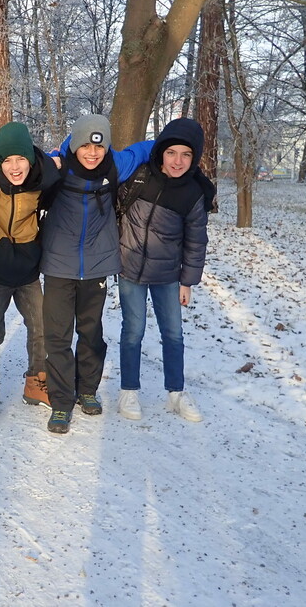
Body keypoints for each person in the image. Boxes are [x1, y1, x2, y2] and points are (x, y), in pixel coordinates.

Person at [40, 115, 152, 435]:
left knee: (90, 332)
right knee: (58, 336)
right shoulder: (57, 165)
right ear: (75, 144)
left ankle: (87, 389)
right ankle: (61, 401)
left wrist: (180, 145)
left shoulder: (116, 164)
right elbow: (22, 166)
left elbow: (146, 149)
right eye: (86, 145)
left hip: (98, 263)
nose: (92, 153)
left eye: (99, 146)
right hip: (59, 264)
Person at [116, 117, 209, 423]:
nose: (177, 161)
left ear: (194, 158)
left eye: (186, 154)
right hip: (130, 269)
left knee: (173, 334)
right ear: (161, 153)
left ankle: (176, 393)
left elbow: (196, 241)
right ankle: (129, 391)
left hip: (168, 276)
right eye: (171, 153)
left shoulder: (193, 192)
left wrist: (188, 282)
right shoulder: (140, 176)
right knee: (133, 332)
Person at [0, 122, 61, 423]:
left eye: (20, 158)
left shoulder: (44, 178)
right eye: (7, 160)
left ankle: (36, 382)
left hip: (28, 270)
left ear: (31, 159)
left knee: (41, 328)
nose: (14, 167)